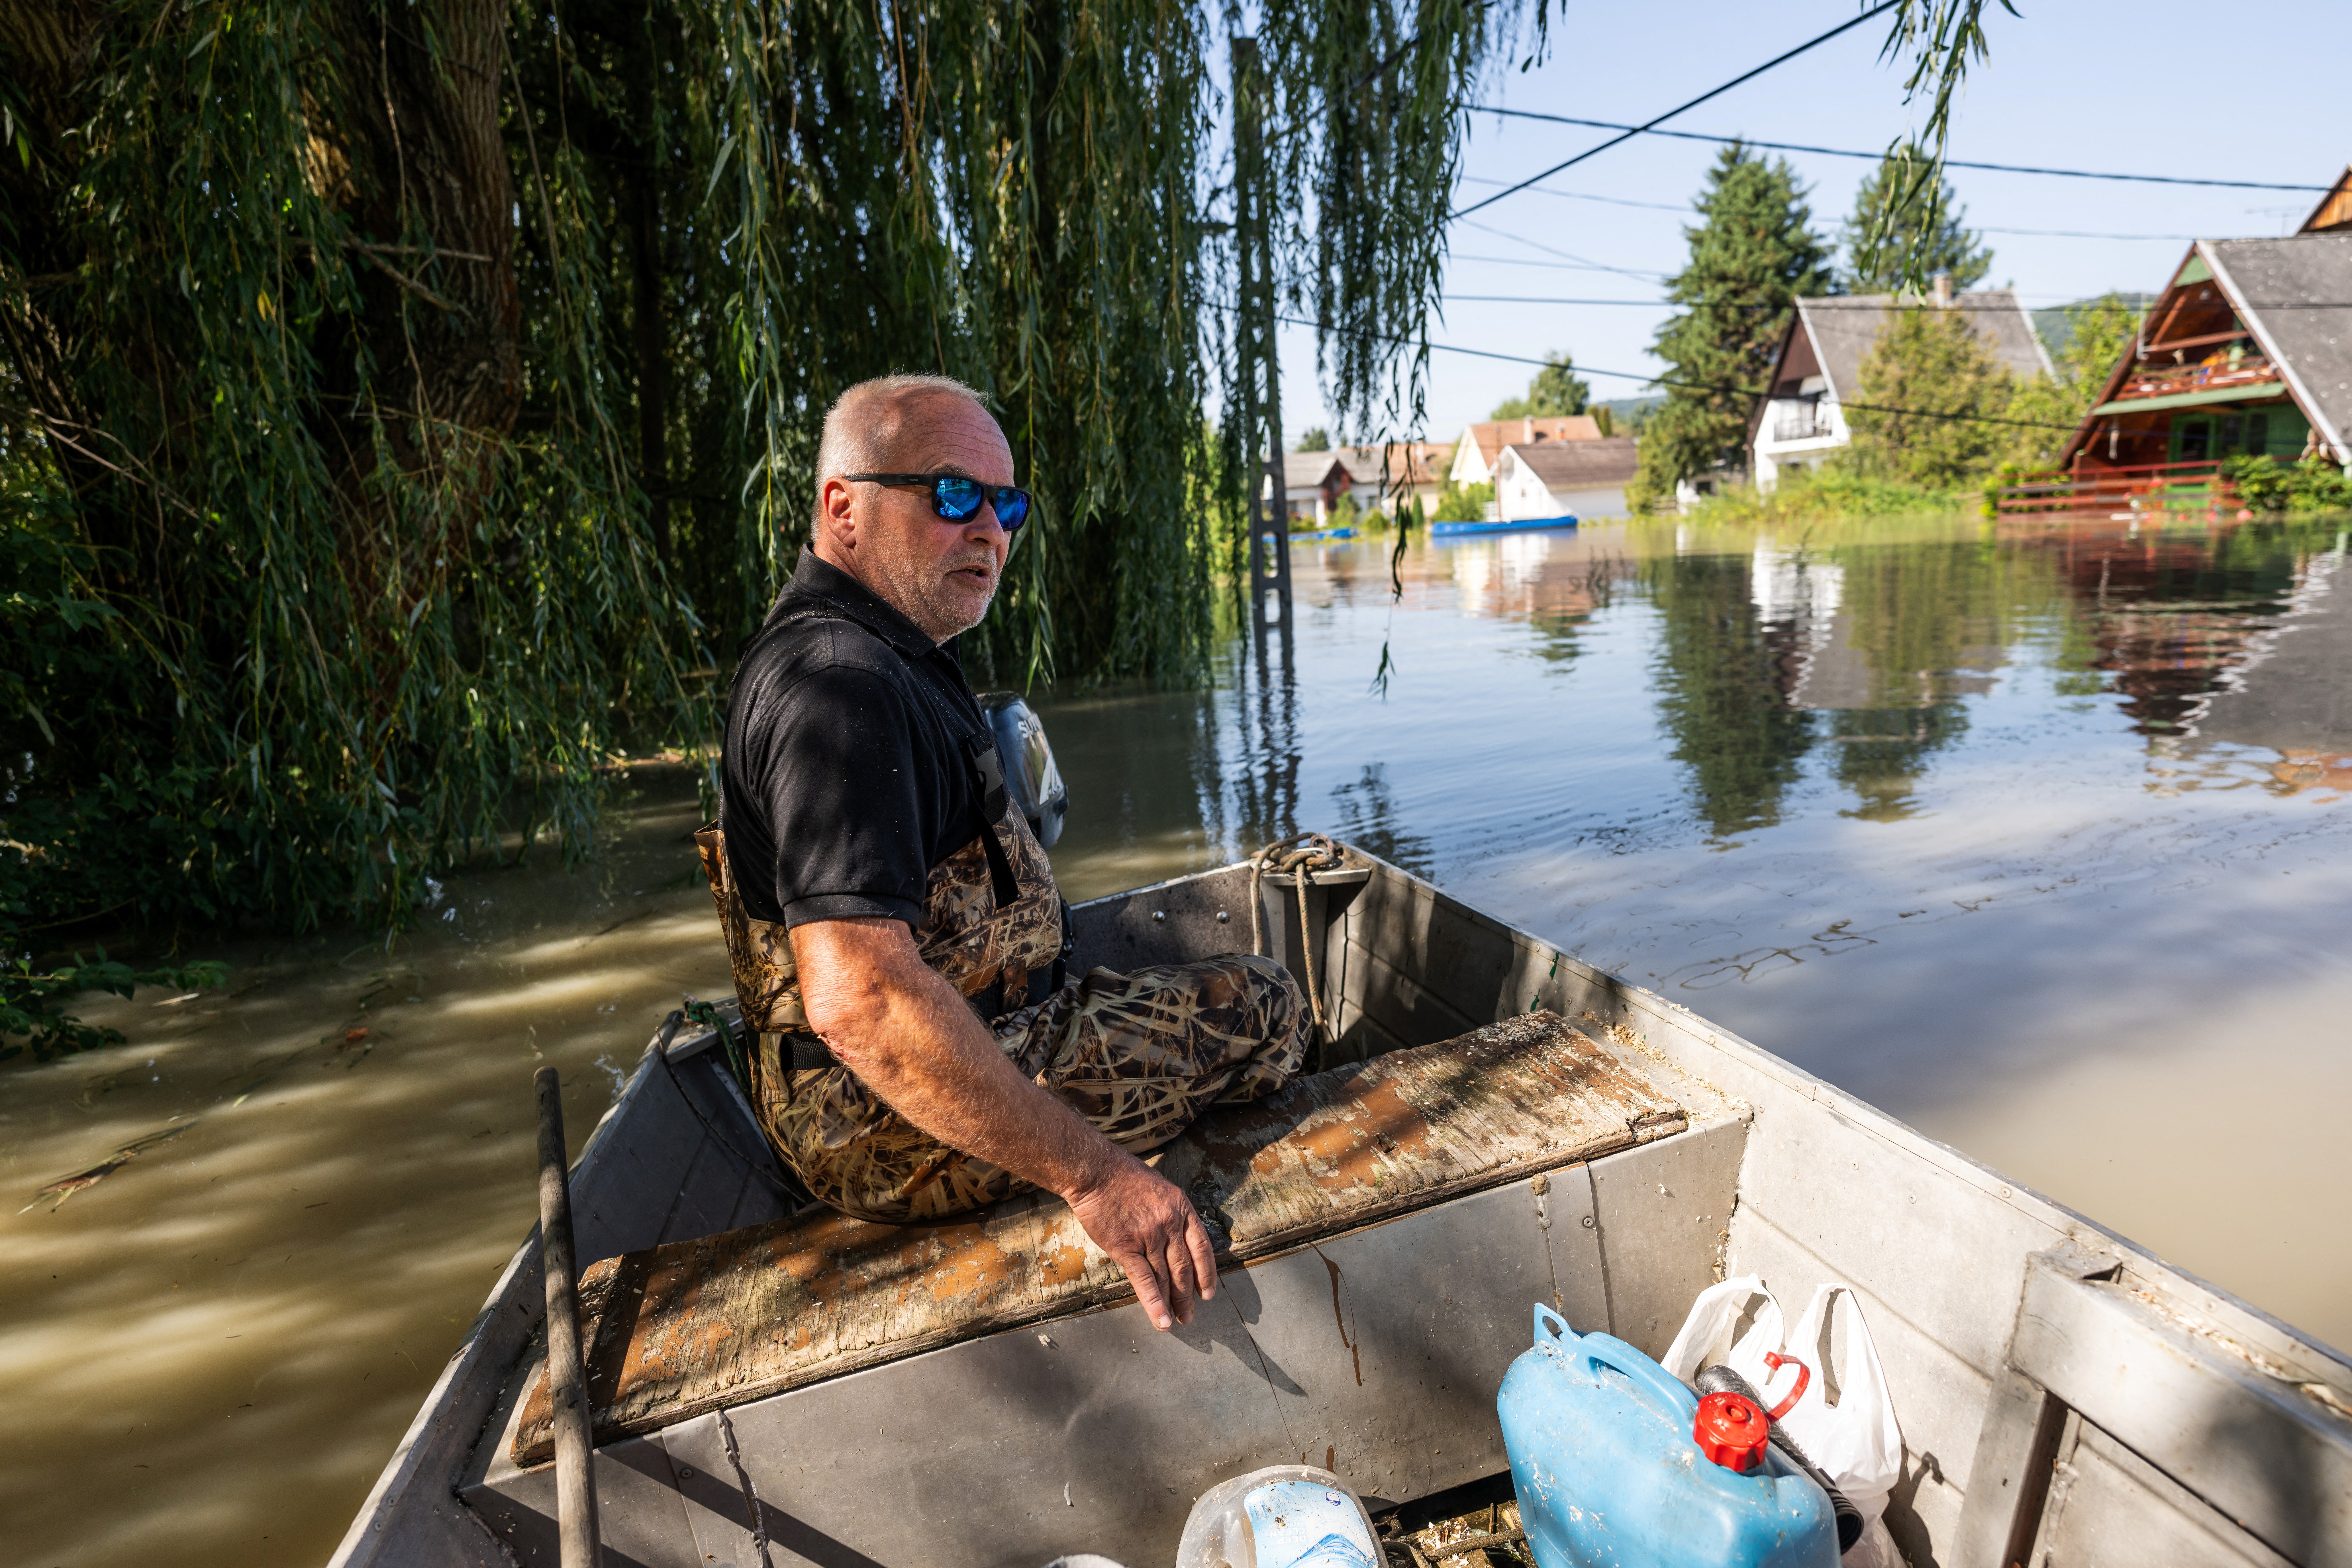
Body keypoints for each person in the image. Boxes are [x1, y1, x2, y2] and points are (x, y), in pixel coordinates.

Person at [695, 373, 1308, 1333]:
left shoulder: (883, 649)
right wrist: (1097, 1176)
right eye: (950, 495)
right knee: (1268, 1008)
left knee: (1198, 987)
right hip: (874, 1123)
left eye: (1006, 503)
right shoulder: (838, 688)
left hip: (938, 1049)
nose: (989, 529)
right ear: (843, 508)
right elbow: (862, 1001)